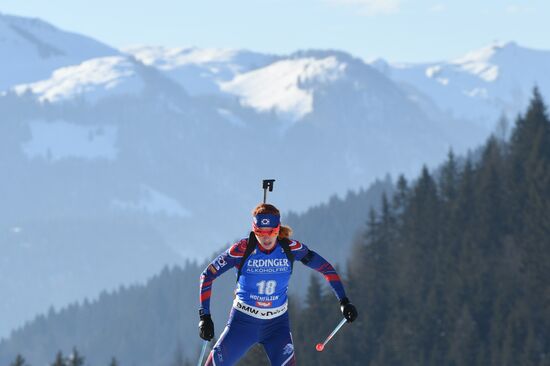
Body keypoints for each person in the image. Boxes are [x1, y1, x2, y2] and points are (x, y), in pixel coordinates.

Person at [198, 203, 358, 365]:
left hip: (276, 327)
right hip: (243, 324)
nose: (266, 238)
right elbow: (207, 275)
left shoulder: (290, 248)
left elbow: (326, 268)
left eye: (272, 232)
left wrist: (344, 301)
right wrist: (204, 316)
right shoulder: (241, 249)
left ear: (278, 230)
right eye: (260, 232)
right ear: (254, 230)